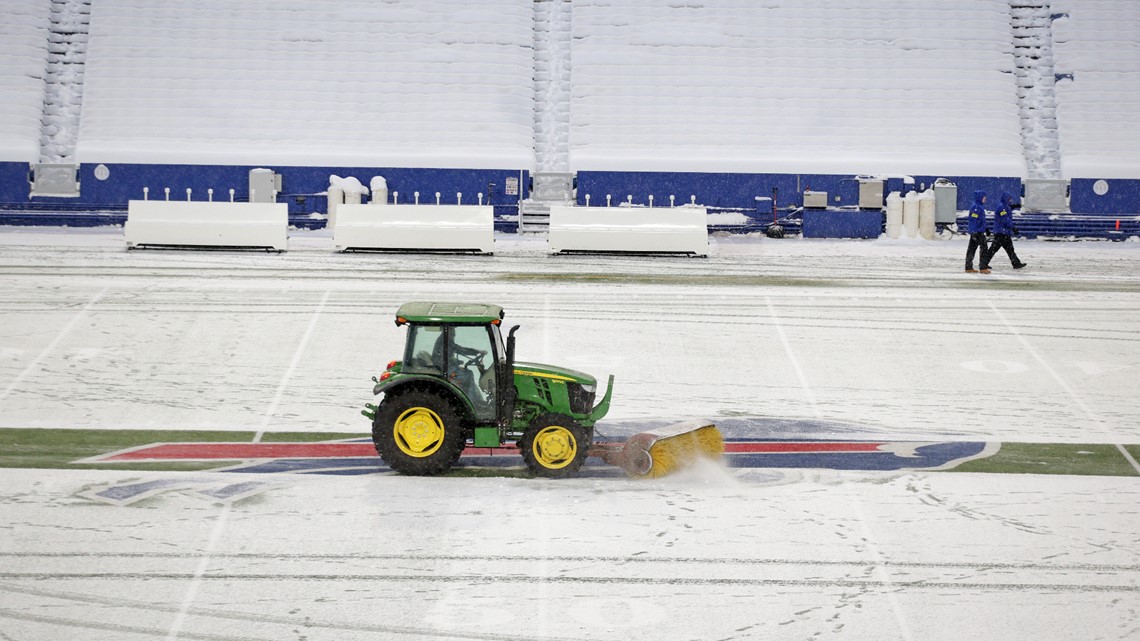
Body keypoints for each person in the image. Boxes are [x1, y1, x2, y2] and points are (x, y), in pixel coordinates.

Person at [980, 191, 1027, 271]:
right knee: (995, 249)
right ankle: (983, 263)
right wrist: (1013, 228)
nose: (1010, 200)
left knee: (1008, 249)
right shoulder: (1002, 208)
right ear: (1006, 199)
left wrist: (1014, 206)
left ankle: (1016, 263)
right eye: (1009, 199)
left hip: (1004, 232)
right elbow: (1005, 220)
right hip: (1001, 233)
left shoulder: (1004, 206)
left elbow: (1007, 209)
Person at [964, 190, 988, 273]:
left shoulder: (979, 206)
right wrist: (974, 232)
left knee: (972, 249)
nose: (985, 198)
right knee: (984, 248)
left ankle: (968, 267)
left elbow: (981, 220)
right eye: (984, 197)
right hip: (977, 232)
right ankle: (983, 267)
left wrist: (986, 228)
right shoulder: (976, 207)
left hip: (978, 231)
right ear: (980, 197)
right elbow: (974, 220)